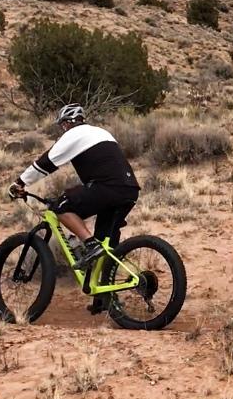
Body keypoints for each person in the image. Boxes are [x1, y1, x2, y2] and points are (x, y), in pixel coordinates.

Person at [9, 104, 140, 312]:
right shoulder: (100, 132)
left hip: (107, 187)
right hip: (129, 189)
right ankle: (104, 297)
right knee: (106, 241)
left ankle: (89, 244)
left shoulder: (75, 133)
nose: (62, 129)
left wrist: (20, 182)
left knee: (61, 206)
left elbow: (47, 162)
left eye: (62, 125)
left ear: (67, 122)